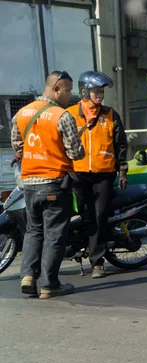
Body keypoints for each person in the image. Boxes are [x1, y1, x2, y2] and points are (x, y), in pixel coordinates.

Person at [11, 71, 85, 298]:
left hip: (29, 185)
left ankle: (28, 277)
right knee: (54, 235)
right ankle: (49, 284)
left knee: (34, 231)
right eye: (68, 90)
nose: (70, 95)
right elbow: (76, 153)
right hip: (54, 183)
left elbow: (17, 145)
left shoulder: (21, 114)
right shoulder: (62, 116)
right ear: (56, 89)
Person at [66, 71, 128, 278]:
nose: (100, 95)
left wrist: (122, 171)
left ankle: (97, 262)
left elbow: (120, 145)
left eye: (101, 91)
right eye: (95, 91)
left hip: (104, 174)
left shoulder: (111, 114)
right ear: (84, 92)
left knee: (100, 216)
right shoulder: (70, 115)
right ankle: (81, 248)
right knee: (84, 214)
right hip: (78, 174)